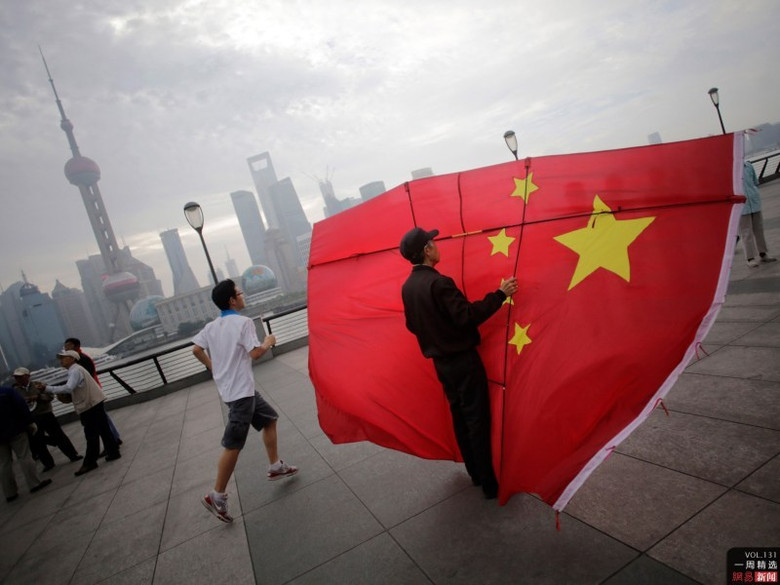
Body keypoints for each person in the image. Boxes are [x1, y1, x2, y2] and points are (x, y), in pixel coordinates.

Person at [400, 227, 519, 499]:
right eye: (433, 242)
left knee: (460, 418)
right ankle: (490, 484)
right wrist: (500, 294)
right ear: (427, 250)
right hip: (463, 362)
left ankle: (475, 474)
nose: (437, 245)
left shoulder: (408, 287)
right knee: (477, 420)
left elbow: (412, 325)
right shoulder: (439, 283)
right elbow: (466, 316)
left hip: (441, 365)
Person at [192, 279, 298, 523]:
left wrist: (213, 367)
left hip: (238, 391)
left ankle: (275, 466)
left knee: (269, 419)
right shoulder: (243, 322)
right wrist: (268, 341)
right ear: (232, 300)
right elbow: (256, 353)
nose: (243, 295)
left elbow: (196, 350)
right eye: (239, 293)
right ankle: (217, 495)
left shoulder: (211, 326)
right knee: (233, 445)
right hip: (240, 394)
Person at [39, 350, 120, 477]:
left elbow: (68, 388)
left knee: (91, 434)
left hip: (89, 406)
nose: (61, 360)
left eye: (64, 357)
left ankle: (90, 462)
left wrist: (47, 388)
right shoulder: (77, 369)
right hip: (95, 402)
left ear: (72, 359)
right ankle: (113, 452)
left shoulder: (75, 371)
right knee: (103, 429)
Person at [12, 367, 82, 469]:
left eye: (20, 377)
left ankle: (72, 455)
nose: (18, 379)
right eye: (16, 377)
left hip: (45, 414)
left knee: (59, 435)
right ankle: (48, 463)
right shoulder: (15, 391)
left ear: (27, 376)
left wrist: (38, 397)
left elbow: (50, 396)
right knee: (38, 441)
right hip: (32, 417)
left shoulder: (38, 384)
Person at [63, 337, 122, 446]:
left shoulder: (82, 360)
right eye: (65, 347)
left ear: (76, 346)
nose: (66, 349)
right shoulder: (80, 359)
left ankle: (113, 441)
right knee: (103, 419)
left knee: (101, 421)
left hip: (92, 393)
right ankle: (114, 439)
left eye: (68, 346)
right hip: (92, 393)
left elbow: (86, 379)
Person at [0, 386, 53, 502]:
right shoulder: (7, 391)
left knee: (4, 463)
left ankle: (10, 493)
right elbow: (21, 406)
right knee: (24, 456)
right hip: (16, 430)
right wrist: (30, 422)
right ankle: (34, 484)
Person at [740, 161, 777, 267]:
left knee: (759, 229)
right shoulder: (731, 169)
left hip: (754, 202)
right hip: (742, 206)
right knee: (746, 232)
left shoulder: (748, 166)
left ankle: (763, 253)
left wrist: (754, 193)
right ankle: (750, 258)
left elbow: (755, 182)